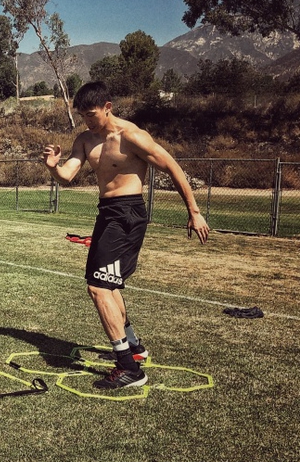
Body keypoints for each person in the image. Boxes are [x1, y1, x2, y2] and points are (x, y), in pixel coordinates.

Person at [42, 81, 210, 389]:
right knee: (108, 283)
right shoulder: (84, 139)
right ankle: (135, 348)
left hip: (128, 214)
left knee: (98, 288)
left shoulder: (132, 136)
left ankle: (129, 368)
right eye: (82, 115)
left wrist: (194, 211)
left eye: (91, 114)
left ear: (108, 107)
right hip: (106, 213)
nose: (87, 120)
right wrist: (53, 167)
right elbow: (67, 175)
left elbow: (172, 166)